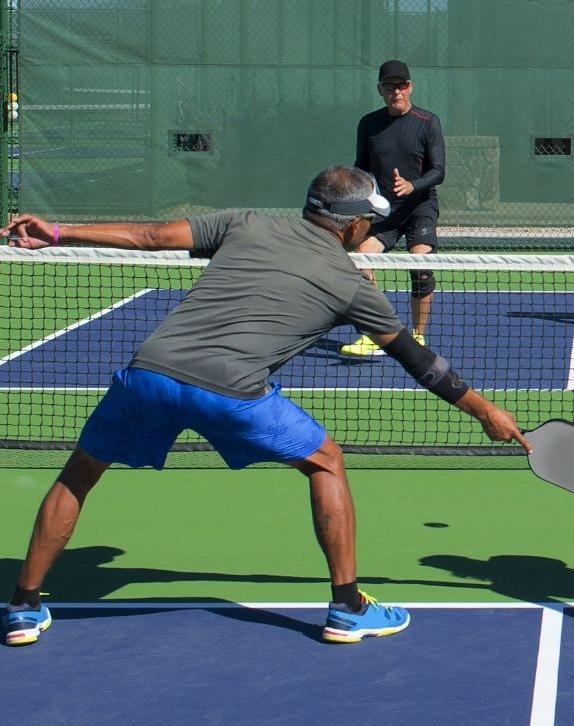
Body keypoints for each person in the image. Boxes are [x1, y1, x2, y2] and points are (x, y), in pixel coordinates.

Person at [1, 165, 531, 647]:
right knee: (326, 460)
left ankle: (23, 607)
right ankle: (347, 607)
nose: (370, 231)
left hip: (151, 372)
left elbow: (150, 237)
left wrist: (54, 233)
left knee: (81, 471)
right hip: (232, 390)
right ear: (348, 226)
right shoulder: (353, 285)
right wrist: (486, 412)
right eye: (368, 222)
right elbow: (422, 363)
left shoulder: (246, 222)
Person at [340, 59, 445, 357]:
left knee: (421, 268)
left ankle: (417, 336)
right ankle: (376, 334)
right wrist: (359, 196)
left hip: (419, 208)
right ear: (380, 90)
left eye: (402, 86)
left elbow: (439, 171)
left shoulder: (428, 123)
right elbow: (361, 167)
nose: (396, 92)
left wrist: (412, 185)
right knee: (360, 262)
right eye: (390, 87)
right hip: (384, 212)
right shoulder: (369, 124)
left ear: (410, 87)